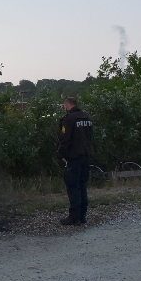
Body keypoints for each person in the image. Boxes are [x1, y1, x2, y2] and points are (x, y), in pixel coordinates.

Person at [57, 96, 93, 226]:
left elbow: (65, 140)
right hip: (86, 156)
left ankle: (74, 217)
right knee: (82, 186)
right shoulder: (87, 117)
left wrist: (61, 155)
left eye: (64, 105)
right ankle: (82, 216)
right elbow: (90, 137)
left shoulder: (68, 119)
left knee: (73, 187)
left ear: (67, 105)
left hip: (73, 158)